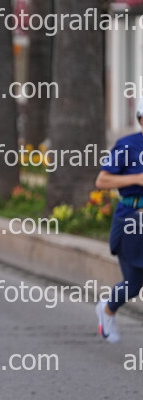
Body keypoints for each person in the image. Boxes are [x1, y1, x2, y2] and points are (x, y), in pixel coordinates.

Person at [95, 98, 143, 343]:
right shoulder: (127, 145)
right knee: (133, 285)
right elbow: (102, 181)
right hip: (131, 219)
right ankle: (107, 310)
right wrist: (136, 179)